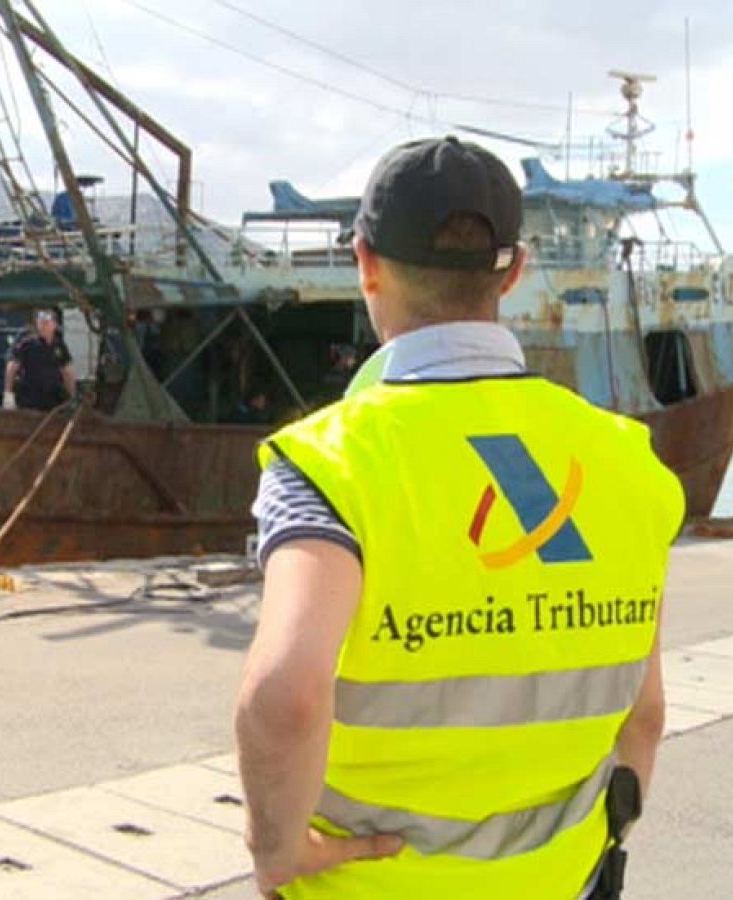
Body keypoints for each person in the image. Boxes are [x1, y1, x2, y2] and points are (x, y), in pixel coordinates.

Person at [234, 137, 680, 900]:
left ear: (365, 261)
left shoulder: (329, 464)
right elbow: (644, 719)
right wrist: (602, 844)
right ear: (514, 270)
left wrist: (273, 851)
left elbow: (287, 695)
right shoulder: (628, 460)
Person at [3, 308, 76, 411]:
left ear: (54, 324)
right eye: (40, 322)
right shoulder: (27, 343)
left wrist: (72, 397)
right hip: (29, 398)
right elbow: (12, 367)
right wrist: (8, 394)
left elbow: (67, 371)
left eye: (46, 322)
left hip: (52, 399)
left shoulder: (59, 345)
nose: (43, 326)